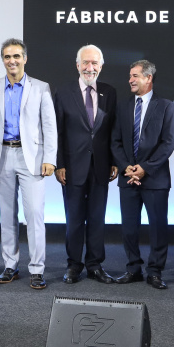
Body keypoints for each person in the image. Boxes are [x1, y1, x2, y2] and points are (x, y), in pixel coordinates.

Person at [0, 38, 58, 290]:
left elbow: (49, 125)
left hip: (32, 159)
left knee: (34, 214)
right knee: (7, 215)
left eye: (16, 56)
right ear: (2, 60)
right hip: (2, 156)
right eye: (7, 56)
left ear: (25, 59)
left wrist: (50, 158)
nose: (12, 61)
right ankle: (10, 265)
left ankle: (37, 269)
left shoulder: (41, 88)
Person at [54, 44, 118, 284]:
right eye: (86, 63)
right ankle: (73, 265)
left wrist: (113, 160)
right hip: (72, 166)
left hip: (101, 165)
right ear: (77, 65)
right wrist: (59, 163)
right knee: (74, 219)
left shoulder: (109, 92)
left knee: (97, 218)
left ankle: (94, 265)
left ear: (101, 66)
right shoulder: (63, 92)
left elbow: (113, 130)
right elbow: (58, 131)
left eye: (94, 63)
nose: (90, 67)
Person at [110, 60, 174, 289]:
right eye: (130, 76)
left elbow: (168, 143)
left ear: (148, 78)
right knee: (129, 227)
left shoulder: (166, 106)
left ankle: (155, 272)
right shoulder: (123, 106)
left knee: (158, 227)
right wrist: (126, 167)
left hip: (155, 178)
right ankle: (133, 269)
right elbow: (115, 141)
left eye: (135, 76)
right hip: (128, 177)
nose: (130, 80)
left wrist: (145, 168)